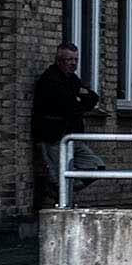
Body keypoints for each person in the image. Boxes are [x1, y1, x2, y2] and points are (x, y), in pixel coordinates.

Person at [31, 43, 101, 209]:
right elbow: (70, 107)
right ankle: (61, 203)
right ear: (59, 60)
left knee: (96, 166)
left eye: (76, 60)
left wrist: (80, 98)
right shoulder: (50, 79)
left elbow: (92, 99)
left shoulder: (72, 79)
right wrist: (78, 98)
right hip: (54, 136)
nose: (73, 63)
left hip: (73, 137)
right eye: (69, 59)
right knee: (59, 176)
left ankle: (57, 192)